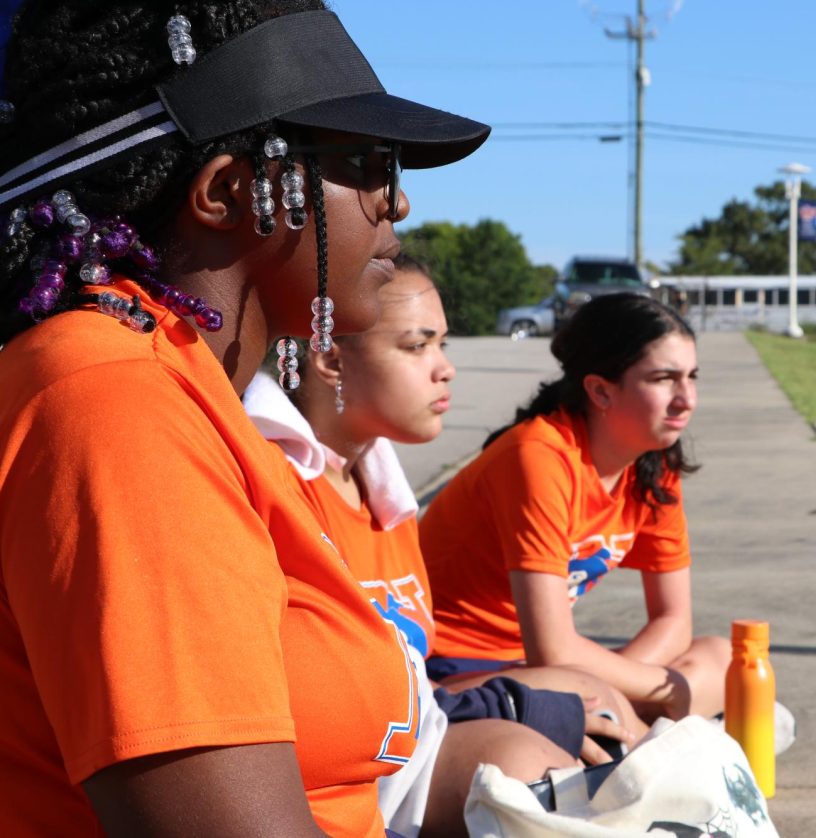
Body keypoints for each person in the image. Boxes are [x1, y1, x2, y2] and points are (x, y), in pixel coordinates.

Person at [0, 2, 498, 834]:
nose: (396, 202)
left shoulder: (184, 386)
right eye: (367, 161)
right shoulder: (117, 408)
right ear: (230, 191)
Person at [242, 257, 640, 835]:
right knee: (532, 759)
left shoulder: (383, 490)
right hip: (331, 785)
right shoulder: (270, 481)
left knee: (594, 704)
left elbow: (407, 674)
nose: (445, 369)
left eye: (443, 344)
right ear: (330, 359)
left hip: (406, 739)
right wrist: (506, 708)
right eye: (416, 346)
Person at [420, 293, 732, 721]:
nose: (687, 398)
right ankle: (637, 729)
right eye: (663, 379)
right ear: (601, 390)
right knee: (601, 695)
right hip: (455, 672)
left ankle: (627, 726)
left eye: (691, 377)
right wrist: (664, 692)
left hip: (547, 669)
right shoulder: (537, 455)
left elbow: (674, 621)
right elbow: (553, 648)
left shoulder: (653, 466)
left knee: (725, 659)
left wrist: (640, 689)